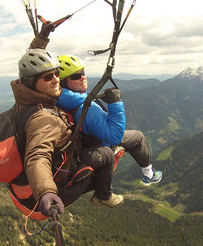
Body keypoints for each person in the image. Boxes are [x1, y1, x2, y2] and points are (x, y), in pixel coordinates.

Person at [11, 36, 123, 218]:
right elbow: (37, 155)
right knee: (108, 153)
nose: (56, 80)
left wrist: (42, 37)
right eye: (48, 77)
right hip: (59, 181)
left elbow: (29, 65)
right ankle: (103, 195)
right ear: (32, 82)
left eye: (57, 73)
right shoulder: (43, 117)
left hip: (31, 180)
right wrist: (46, 191)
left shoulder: (25, 97)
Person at [57, 54, 163, 186]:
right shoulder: (85, 108)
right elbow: (114, 137)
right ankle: (149, 175)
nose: (83, 77)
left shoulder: (64, 99)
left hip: (88, 140)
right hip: (101, 142)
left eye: (83, 72)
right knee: (138, 137)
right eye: (75, 76)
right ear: (62, 82)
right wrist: (115, 103)